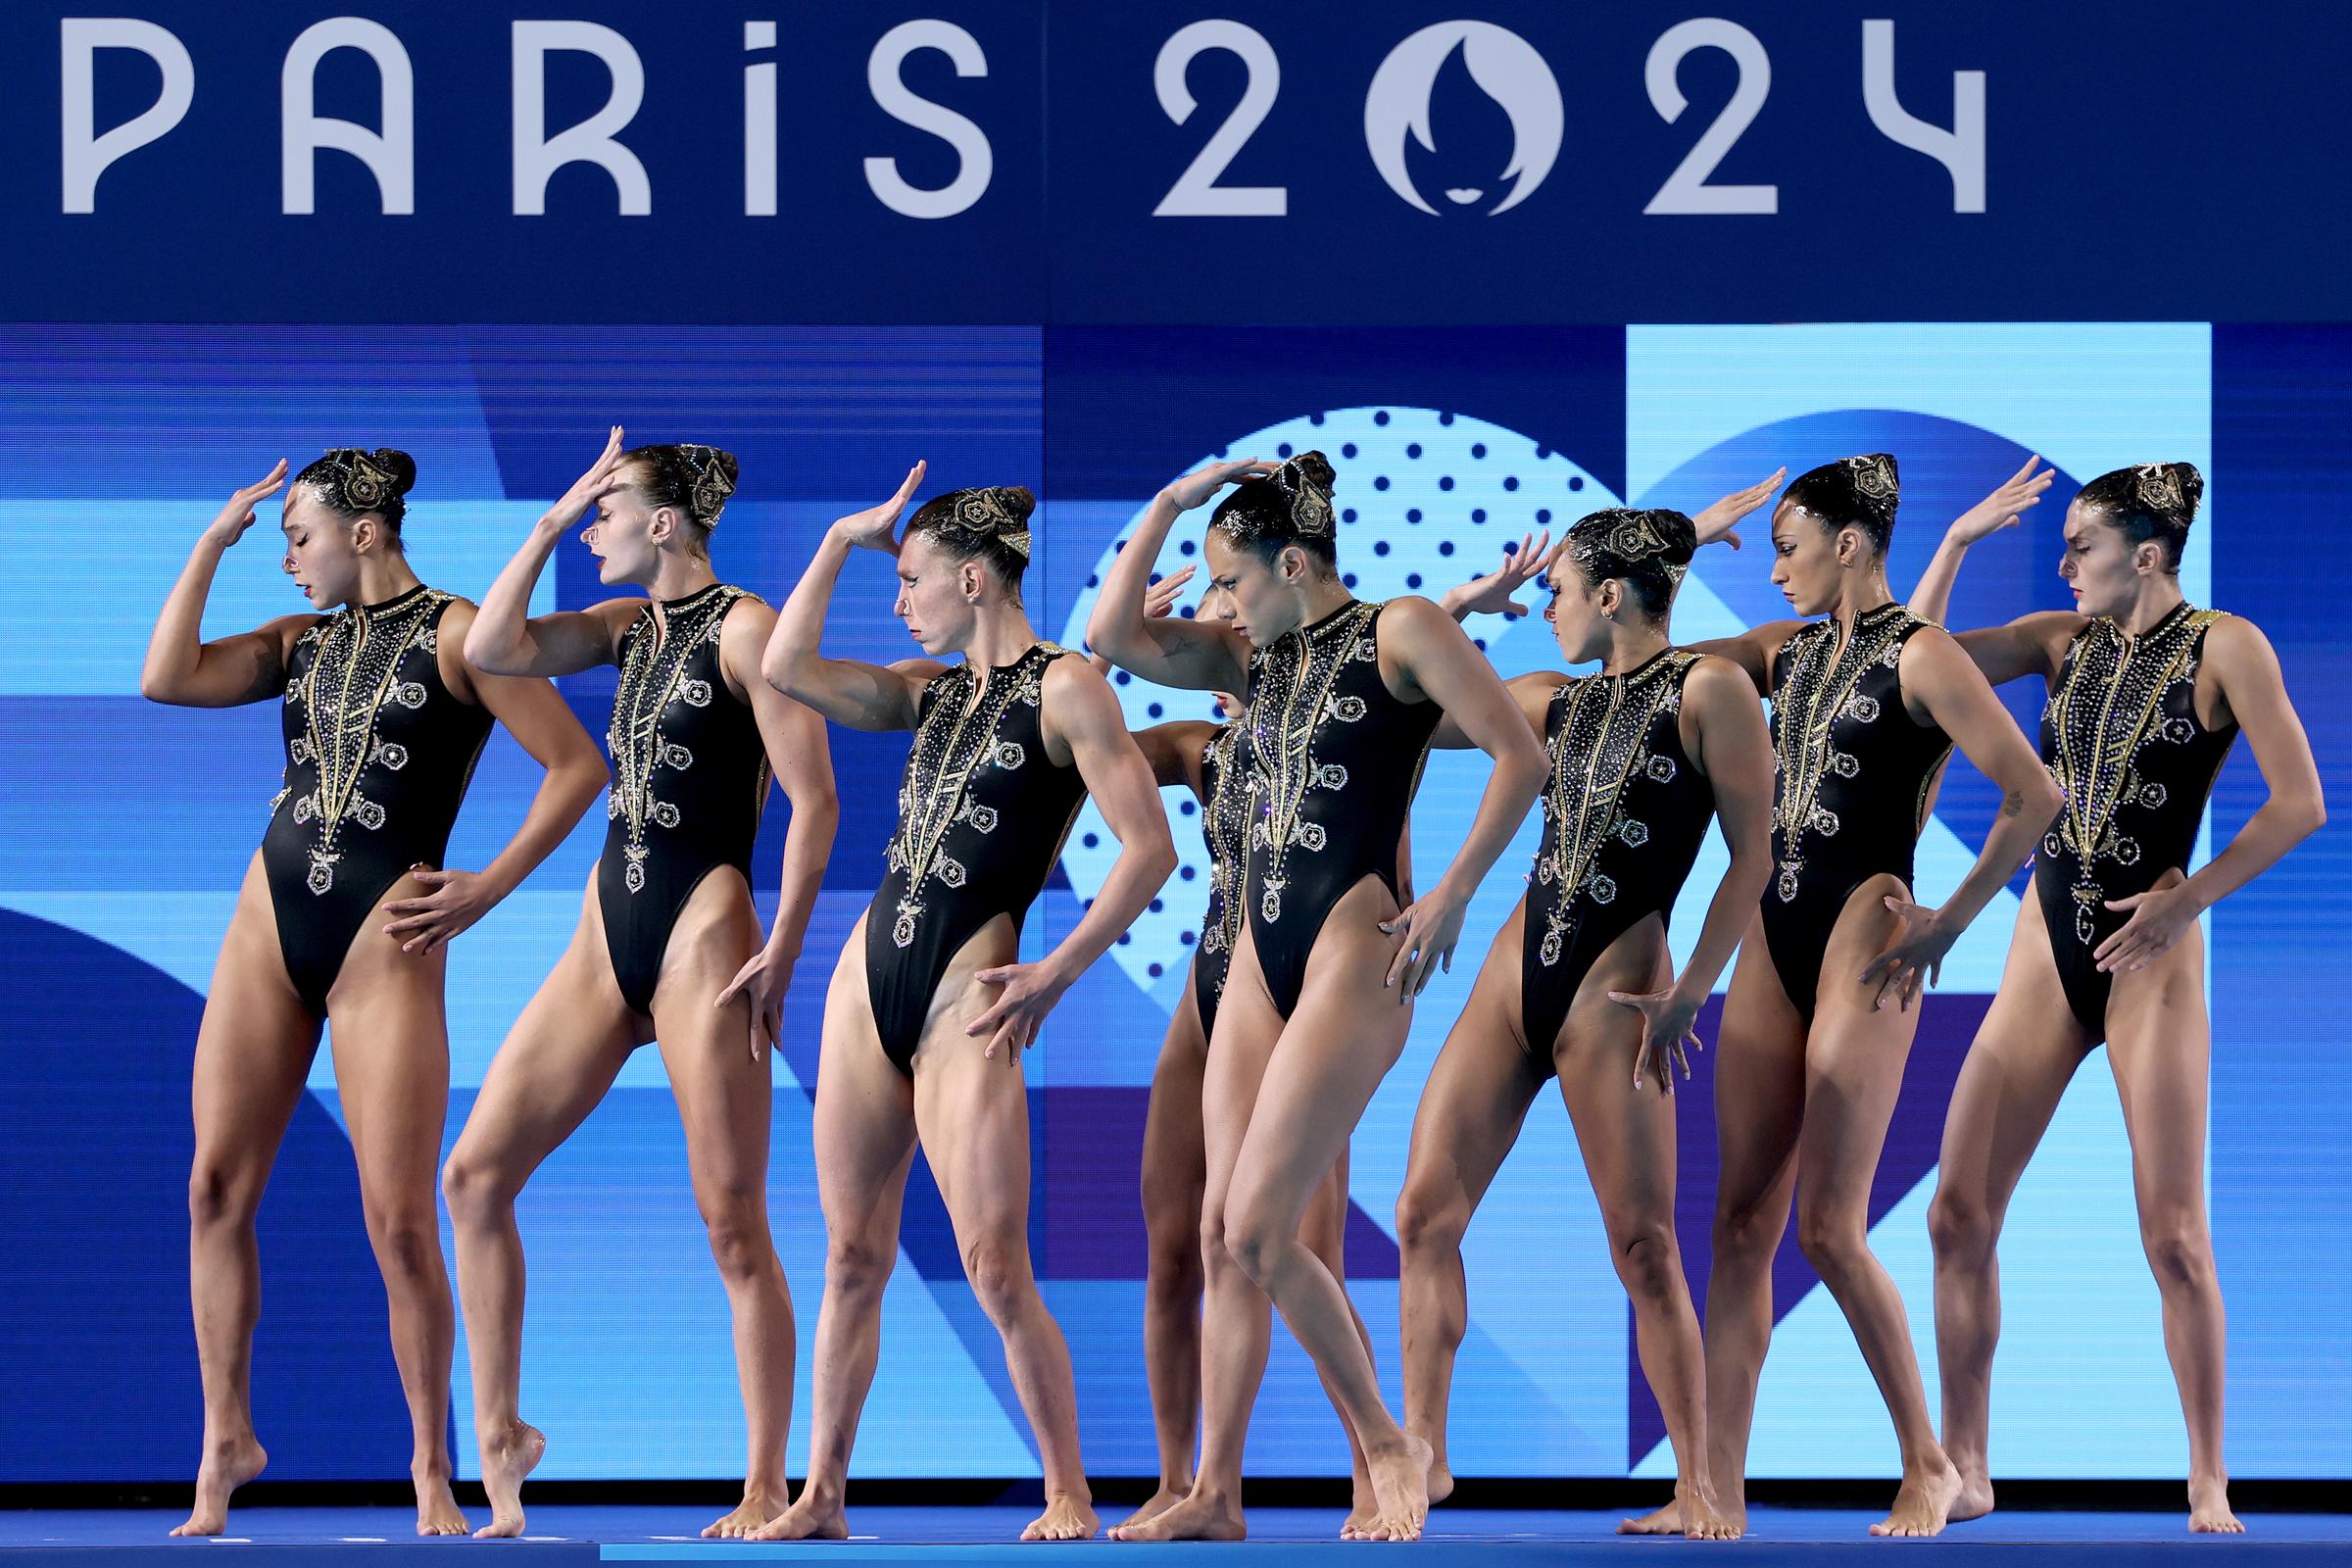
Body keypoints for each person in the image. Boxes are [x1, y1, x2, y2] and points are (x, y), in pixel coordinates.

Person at [139, 449, 605, 1537]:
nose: (287, 556)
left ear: (362, 532)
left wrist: (485, 887)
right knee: (213, 1187)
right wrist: (215, 542)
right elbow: (165, 676)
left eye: (297, 535)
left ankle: (432, 1467)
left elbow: (578, 766)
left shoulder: (460, 633)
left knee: (398, 1222)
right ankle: (225, 1441)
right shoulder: (301, 644)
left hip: (380, 943)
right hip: (269, 924)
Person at [1087, 453, 1547, 1543]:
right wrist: (1166, 503)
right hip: (1258, 954)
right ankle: (1214, 1494)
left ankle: (1389, 1446)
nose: (1225, 605)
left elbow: (1519, 755)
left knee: (1259, 1226)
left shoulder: (1403, 629)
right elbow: (1112, 638)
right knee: (1219, 1229)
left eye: (1235, 580)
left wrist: (1453, 891)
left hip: (1354, 947)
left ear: (1292, 562)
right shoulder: (1256, 660)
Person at [752, 464, 1176, 1544]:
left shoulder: (1068, 686)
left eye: (910, 580)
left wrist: (1057, 969)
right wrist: (843, 540)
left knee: (994, 1262)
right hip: (864, 987)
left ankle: (1069, 1491)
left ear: (976, 580)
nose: (901, 602)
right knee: (850, 1255)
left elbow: (1149, 851)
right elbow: (784, 664)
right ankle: (823, 1496)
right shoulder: (927, 692)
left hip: (965, 998)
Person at [1910, 461, 2323, 1534]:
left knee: (2175, 1234)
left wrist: (2188, 905)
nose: (2064, 563)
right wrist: (1953, 542)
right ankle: (1965, 1462)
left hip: (2152, 955)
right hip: (2046, 945)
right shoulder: (2062, 641)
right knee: (1956, 1214)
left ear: (2146, 552)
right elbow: (1905, 660)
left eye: (2080, 543)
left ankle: (2207, 1475)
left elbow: (2301, 803)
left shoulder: (2227, 645)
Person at [440, 431, 838, 1539]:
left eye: (610, 513)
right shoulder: (628, 631)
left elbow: (815, 802)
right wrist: (552, 517)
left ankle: (767, 1481)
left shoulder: (750, 631)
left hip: (706, 934)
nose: (597, 532)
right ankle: (507, 1432)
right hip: (603, 931)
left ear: (665, 523)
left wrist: (785, 946)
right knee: (473, 1175)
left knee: (733, 1225)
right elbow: (493, 644)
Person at [1681, 455, 2061, 1537]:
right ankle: (1714, 1487)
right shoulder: (1784, 655)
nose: (1776, 573)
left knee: (1827, 1229)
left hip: (1867, 932)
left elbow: (2035, 793)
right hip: (1772, 936)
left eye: (1787, 549)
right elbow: (1646, 666)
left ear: (1849, 543)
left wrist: (1952, 919)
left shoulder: (1926, 656)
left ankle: (1925, 1461)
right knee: (1738, 1223)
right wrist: (1688, 535)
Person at [1396, 490, 1782, 1541]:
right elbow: (1403, 707)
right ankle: (1423, 1456)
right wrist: (1467, 604)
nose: (1548, 609)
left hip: (1618, 994)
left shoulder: (1711, 688)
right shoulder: (1550, 700)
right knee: (1423, 1214)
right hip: (1512, 978)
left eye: (1559, 590)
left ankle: (1701, 1483)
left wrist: (1695, 984)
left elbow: (1756, 853)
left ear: (1611, 593)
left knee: (1645, 1247)